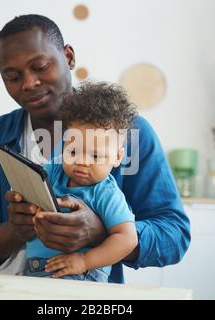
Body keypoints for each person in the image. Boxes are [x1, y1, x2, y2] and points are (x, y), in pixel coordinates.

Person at [0, 14, 190, 284]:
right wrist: (13, 231)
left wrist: (103, 232)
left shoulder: (128, 134)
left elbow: (175, 235)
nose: (28, 83)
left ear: (69, 57)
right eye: (13, 76)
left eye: (40, 66)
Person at [24, 81, 138, 282]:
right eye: (73, 151)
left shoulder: (105, 193)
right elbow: (29, 179)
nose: (82, 162)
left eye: (96, 156)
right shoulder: (52, 171)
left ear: (118, 157)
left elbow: (127, 239)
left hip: (81, 274)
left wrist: (85, 260)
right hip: (35, 270)